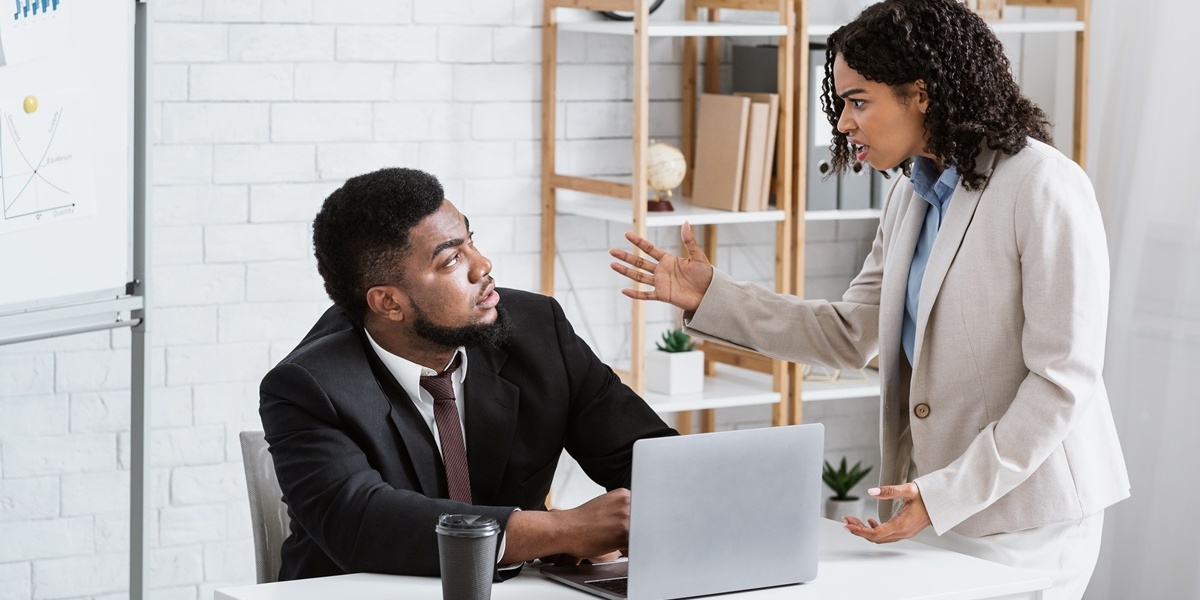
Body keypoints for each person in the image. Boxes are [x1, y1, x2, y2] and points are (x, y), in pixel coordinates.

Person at [609, 1, 1128, 597]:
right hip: (933, 505)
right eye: (841, 104)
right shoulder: (911, 195)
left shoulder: (1042, 185)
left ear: (922, 93)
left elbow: (1062, 379)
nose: (843, 124)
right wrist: (713, 297)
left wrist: (945, 493)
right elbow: (852, 332)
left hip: (1029, 519)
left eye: (858, 101)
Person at [260, 167, 676, 581]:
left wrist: (621, 527)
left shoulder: (539, 329)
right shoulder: (307, 386)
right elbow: (363, 521)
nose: (483, 265)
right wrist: (558, 532)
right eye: (452, 258)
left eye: (471, 241)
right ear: (388, 302)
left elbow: (649, 458)